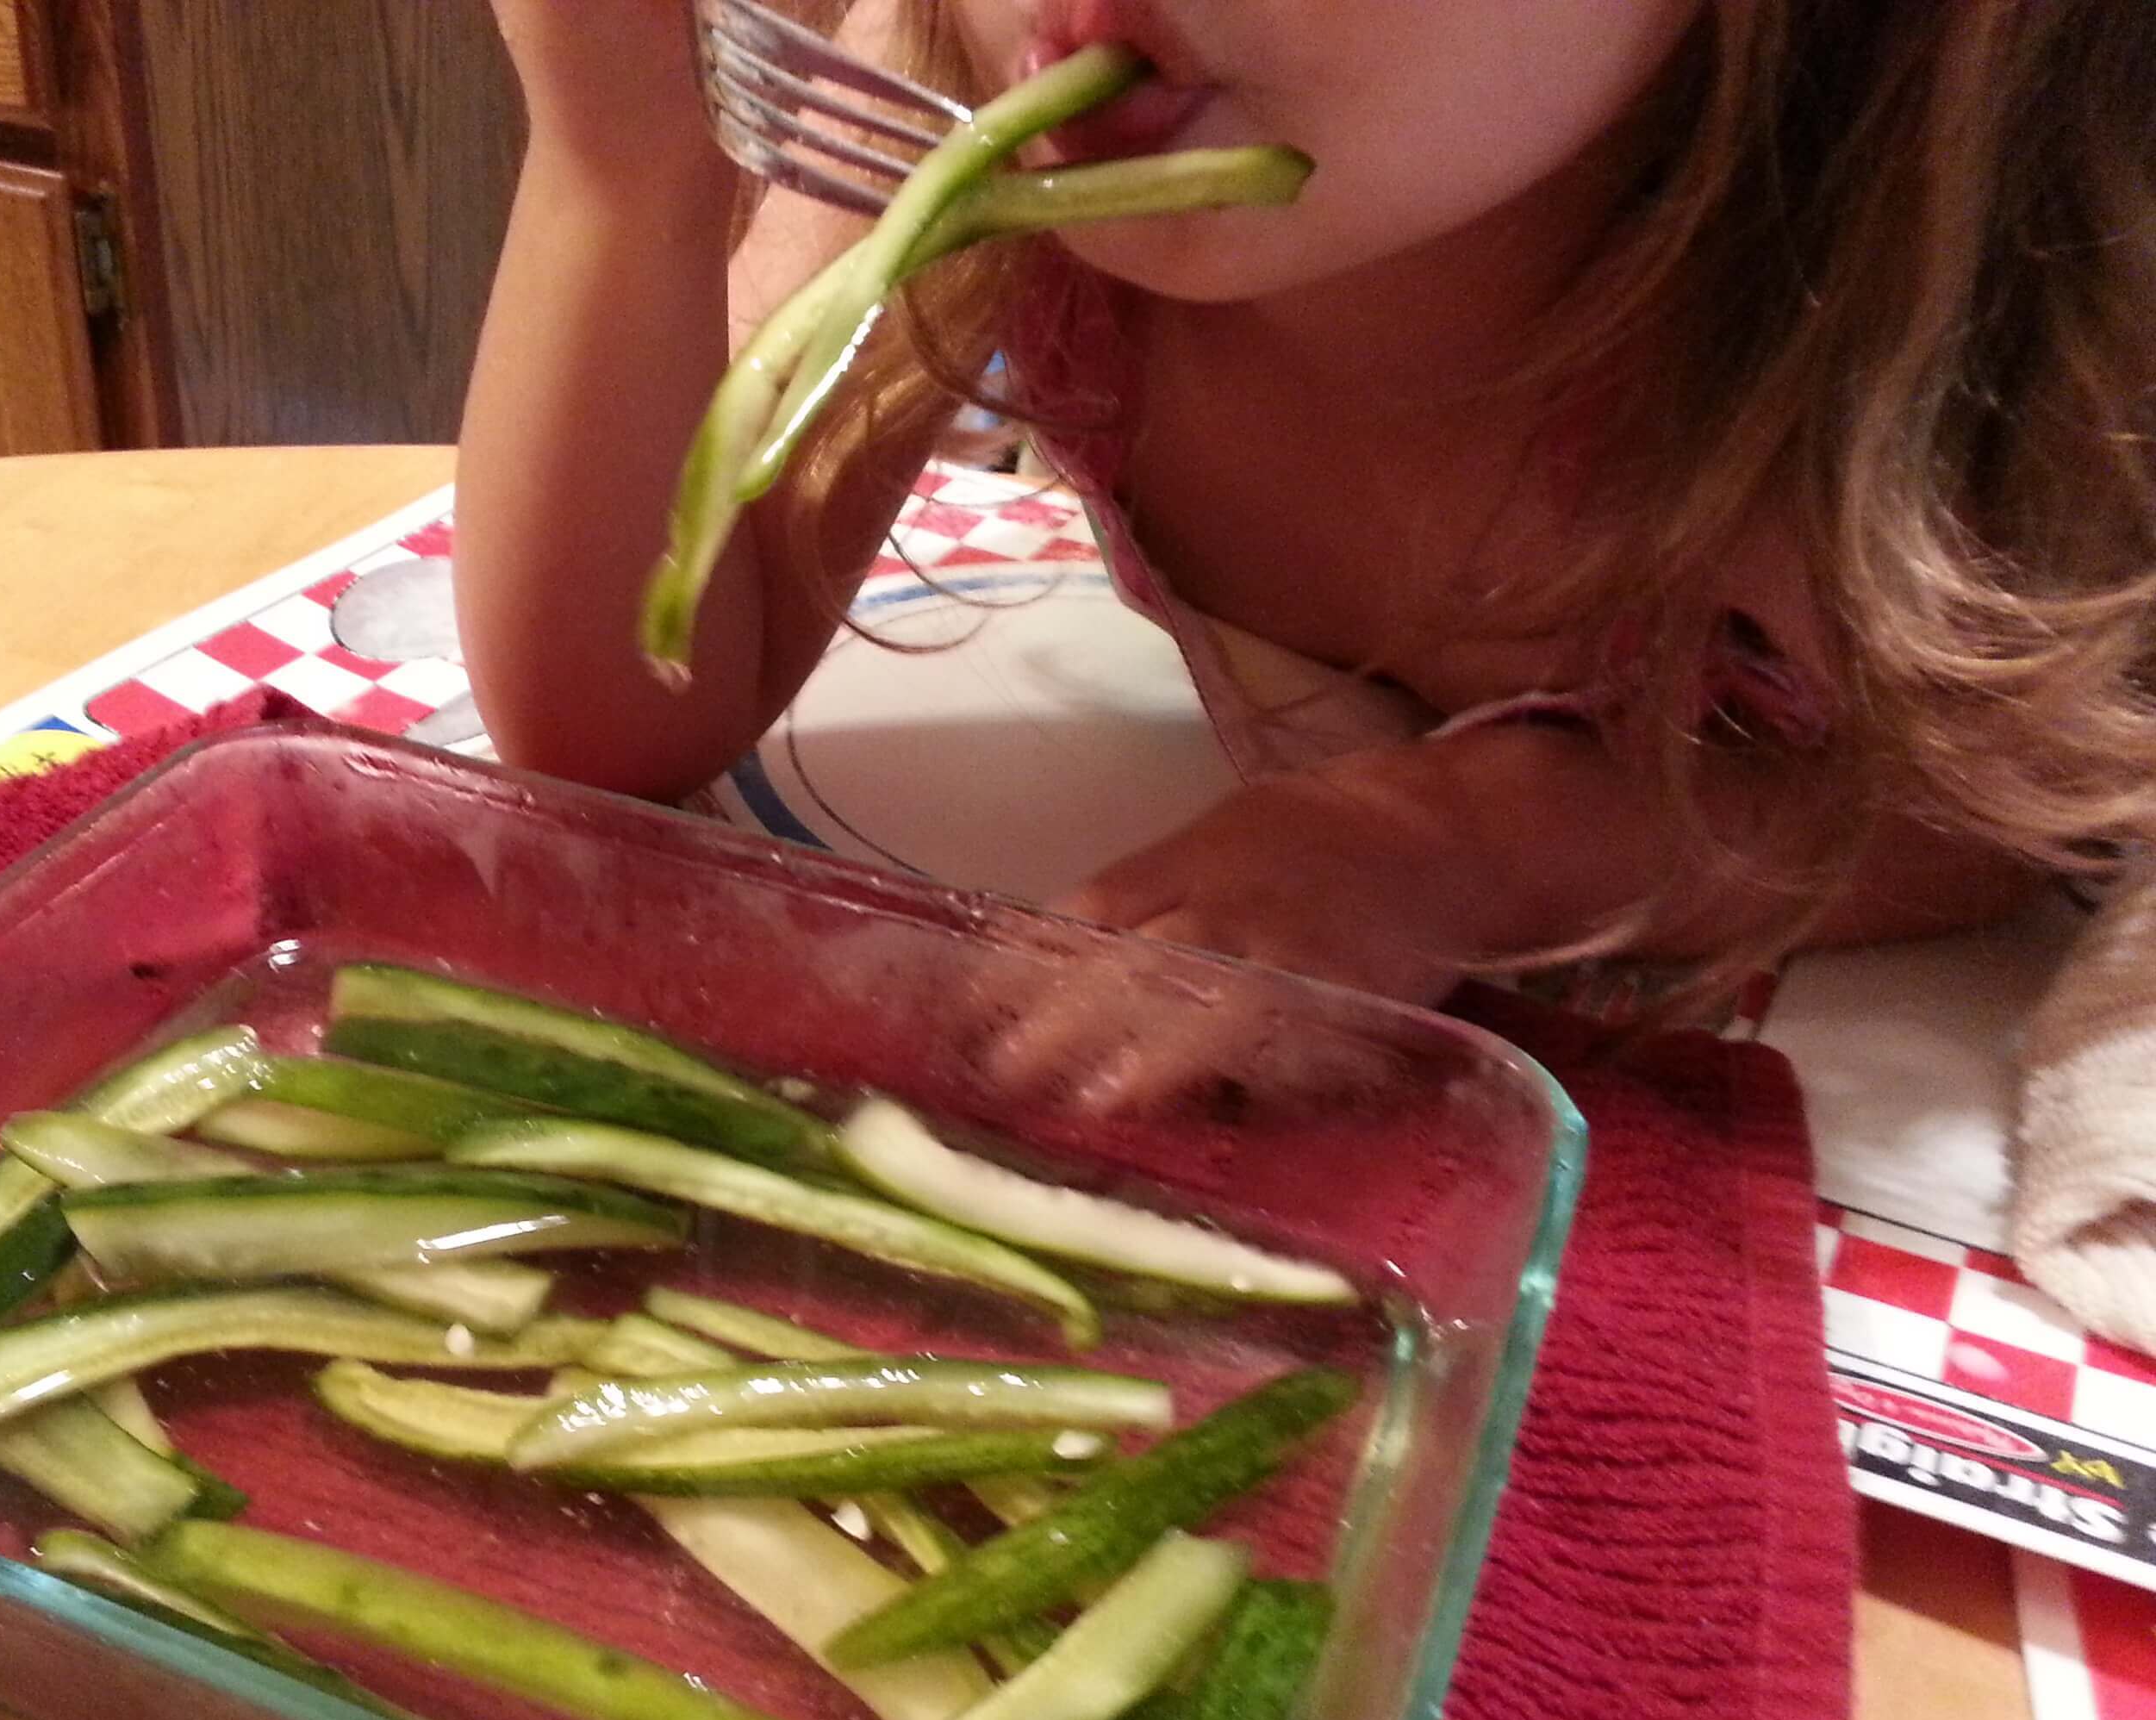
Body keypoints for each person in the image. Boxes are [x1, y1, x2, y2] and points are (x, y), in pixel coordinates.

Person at [455, 0, 2156, 1019]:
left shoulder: (1867, 306)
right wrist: (627, 176)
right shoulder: (977, 148)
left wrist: (1452, 847)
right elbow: (620, 718)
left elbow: (1961, 833)